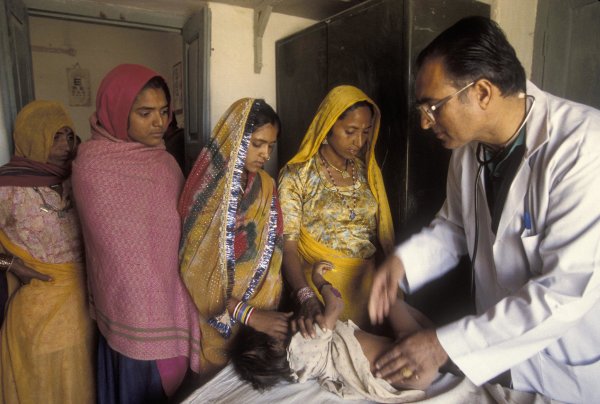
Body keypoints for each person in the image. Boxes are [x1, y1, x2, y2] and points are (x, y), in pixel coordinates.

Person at [368, 16, 600, 403]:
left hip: (565, 364)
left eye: (433, 106)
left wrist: (441, 346)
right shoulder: (468, 152)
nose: (425, 123)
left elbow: (565, 291)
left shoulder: (583, 148)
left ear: (483, 92)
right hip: (500, 354)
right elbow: (455, 227)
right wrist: (403, 263)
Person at [71, 64, 201, 403]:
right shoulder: (91, 166)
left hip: (173, 297)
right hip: (128, 307)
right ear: (117, 113)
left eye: (163, 112)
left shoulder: (165, 163)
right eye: (145, 113)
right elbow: (114, 250)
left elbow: (183, 229)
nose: (160, 123)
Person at [178, 98, 289, 381]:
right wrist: (247, 313)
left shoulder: (266, 185)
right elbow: (194, 271)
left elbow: (274, 248)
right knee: (217, 386)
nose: (265, 153)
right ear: (237, 137)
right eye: (257, 143)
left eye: (271, 147)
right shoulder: (208, 190)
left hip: (259, 313)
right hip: (217, 316)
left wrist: (260, 311)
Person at [278, 85, 395, 337]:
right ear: (328, 126)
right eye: (350, 131)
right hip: (322, 292)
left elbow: (380, 238)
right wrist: (306, 297)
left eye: (366, 132)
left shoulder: (368, 172)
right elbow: (287, 247)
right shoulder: (297, 175)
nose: (359, 142)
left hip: (367, 290)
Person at [0, 100, 94, 403]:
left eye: (69, 135)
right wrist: (12, 264)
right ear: (32, 134)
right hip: (38, 307)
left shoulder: (77, 177)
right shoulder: (7, 186)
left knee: (84, 381)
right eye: (56, 136)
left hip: (87, 305)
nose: (66, 145)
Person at [230, 260, 427, 402]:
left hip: (408, 381)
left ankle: (443, 348)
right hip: (416, 358)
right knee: (392, 302)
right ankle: (443, 345)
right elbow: (336, 306)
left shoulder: (300, 370)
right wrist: (318, 280)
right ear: (274, 341)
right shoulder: (306, 340)